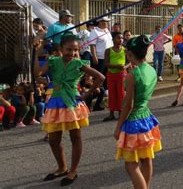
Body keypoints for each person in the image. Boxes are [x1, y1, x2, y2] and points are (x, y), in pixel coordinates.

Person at [34, 33, 104, 186]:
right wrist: (36, 53)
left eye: (75, 50)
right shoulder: (53, 61)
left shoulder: (79, 63)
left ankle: (73, 170)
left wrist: (86, 94)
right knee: (53, 140)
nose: (71, 53)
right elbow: (37, 73)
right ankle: (62, 167)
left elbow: (100, 77)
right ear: (60, 48)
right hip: (55, 103)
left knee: (75, 137)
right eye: (68, 49)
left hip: (72, 102)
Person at [114, 35, 161, 189]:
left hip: (134, 122)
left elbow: (128, 105)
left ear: (129, 54)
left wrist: (119, 126)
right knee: (146, 159)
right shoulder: (151, 70)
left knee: (131, 165)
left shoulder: (132, 75)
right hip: (147, 118)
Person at [103, 32, 127, 122]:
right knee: (112, 94)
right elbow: (105, 63)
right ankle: (111, 113)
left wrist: (125, 67)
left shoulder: (125, 50)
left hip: (121, 75)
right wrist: (116, 66)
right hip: (111, 74)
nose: (120, 40)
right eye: (118, 38)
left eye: (122, 38)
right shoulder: (108, 50)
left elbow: (129, 61)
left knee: (120, 93)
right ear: (113, 39)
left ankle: (121, 113)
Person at [89, 16, 113, 91]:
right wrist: (94, 56)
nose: (108, 24)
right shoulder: (95, 31)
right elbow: (92, 45)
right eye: (106, 22)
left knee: (107, 74)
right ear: (101, 22)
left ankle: (105, 89)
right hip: (100, 57)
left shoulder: (107, 31)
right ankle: (97, 89)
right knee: (100, 74)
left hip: (108, 57)